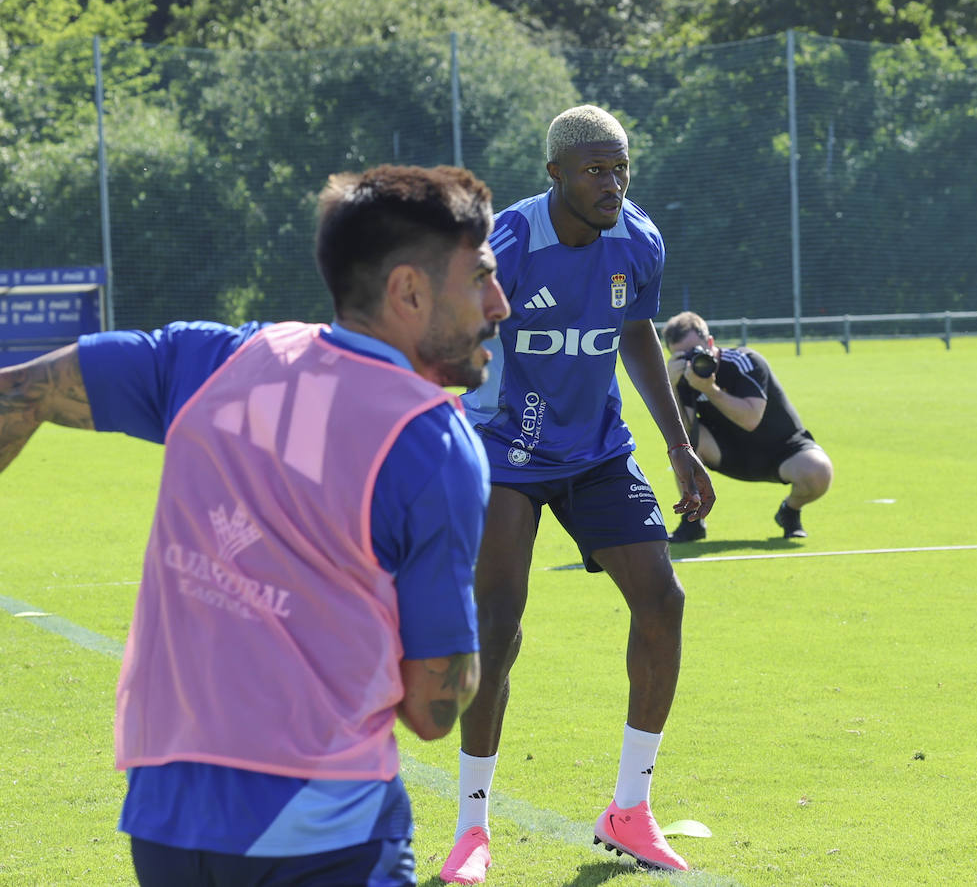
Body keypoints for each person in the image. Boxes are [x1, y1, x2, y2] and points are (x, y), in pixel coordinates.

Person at [0, 165, 511, 886]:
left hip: (164, 816)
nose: (501, 303)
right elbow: (434, 706)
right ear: (409, 291)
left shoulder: (220, 358)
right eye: (481, 276)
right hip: (320, 827)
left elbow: (21, 392)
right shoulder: (434, 441)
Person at [440, 105, 714, 884]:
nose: (613, 182)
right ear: (554, 173)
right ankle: (472, 830)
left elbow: (634, 330)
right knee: (497, 627)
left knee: (663, 602)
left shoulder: (640, 240)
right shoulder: (511, 246)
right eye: (595, 169)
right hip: (505, 451)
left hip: (596, 450)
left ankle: (629, 812)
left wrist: (679, 445)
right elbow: (454, 340)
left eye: (621, 167)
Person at [661, 311, 833, 542]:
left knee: (819, 472)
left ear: (710, 342)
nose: (692, 360)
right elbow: (684, 429)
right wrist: (672, 387)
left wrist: (709, 389)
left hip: (781, 450)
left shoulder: (745, 362)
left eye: (697, 351)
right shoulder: (683, 377)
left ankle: (789, 511)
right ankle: (692, 521)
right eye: (683, 356)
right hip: (727, 453)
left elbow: (751, 419)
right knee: (681, 445)